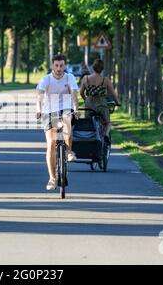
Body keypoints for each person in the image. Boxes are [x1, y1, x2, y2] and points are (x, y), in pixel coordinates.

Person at [36, 54, 80, 191]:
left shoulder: (69, 77)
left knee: (67, 122)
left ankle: (68, 152)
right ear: (52, 66)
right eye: (56, 65)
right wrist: (39, 109)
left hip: (65, 109)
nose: (59, 68)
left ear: (65, 66)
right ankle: (52, 178)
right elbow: (39, 94)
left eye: (61, 65)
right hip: (50, 112)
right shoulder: (46, 79)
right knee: (51, 143)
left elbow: (74, 93)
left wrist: (76, 108)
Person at [79, 59, 120, 140]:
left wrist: (86, 100)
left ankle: (88, 137)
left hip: (89, 105)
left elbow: (81, 93)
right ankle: (106, 134)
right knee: (107, 122)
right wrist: (117, 102)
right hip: (101, 105)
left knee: (88, 122)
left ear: (93, 68)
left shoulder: (85, 78)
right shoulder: (105, 80)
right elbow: (113, 94)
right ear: (102, 69)